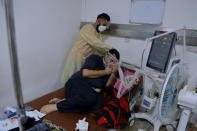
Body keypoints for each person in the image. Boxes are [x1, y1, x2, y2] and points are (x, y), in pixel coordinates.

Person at [40, 49, 120, 114]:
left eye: (114, 61)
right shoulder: (95, 58)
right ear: (106, 55)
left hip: (87, 91)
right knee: (90, 98)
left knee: (99, 105)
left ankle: (67, 101)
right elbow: (85, 73)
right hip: (76, 83)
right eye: (111, 59)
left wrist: (113, 73)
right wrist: (105, 72)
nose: (111, 63)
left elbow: (107, 86)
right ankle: (56, 107)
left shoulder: (112, 70)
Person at [61, 13, 113, 83]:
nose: (104, 27)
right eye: (104, 25)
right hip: (76, 57)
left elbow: (99, 48)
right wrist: (111, 49)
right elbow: (94, 42)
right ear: (98, 21)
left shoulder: (98, 35)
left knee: (78, 80)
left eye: (106, 26)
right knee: (70, 79)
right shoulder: (87, 28)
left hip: (84, 59)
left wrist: (108, 54)